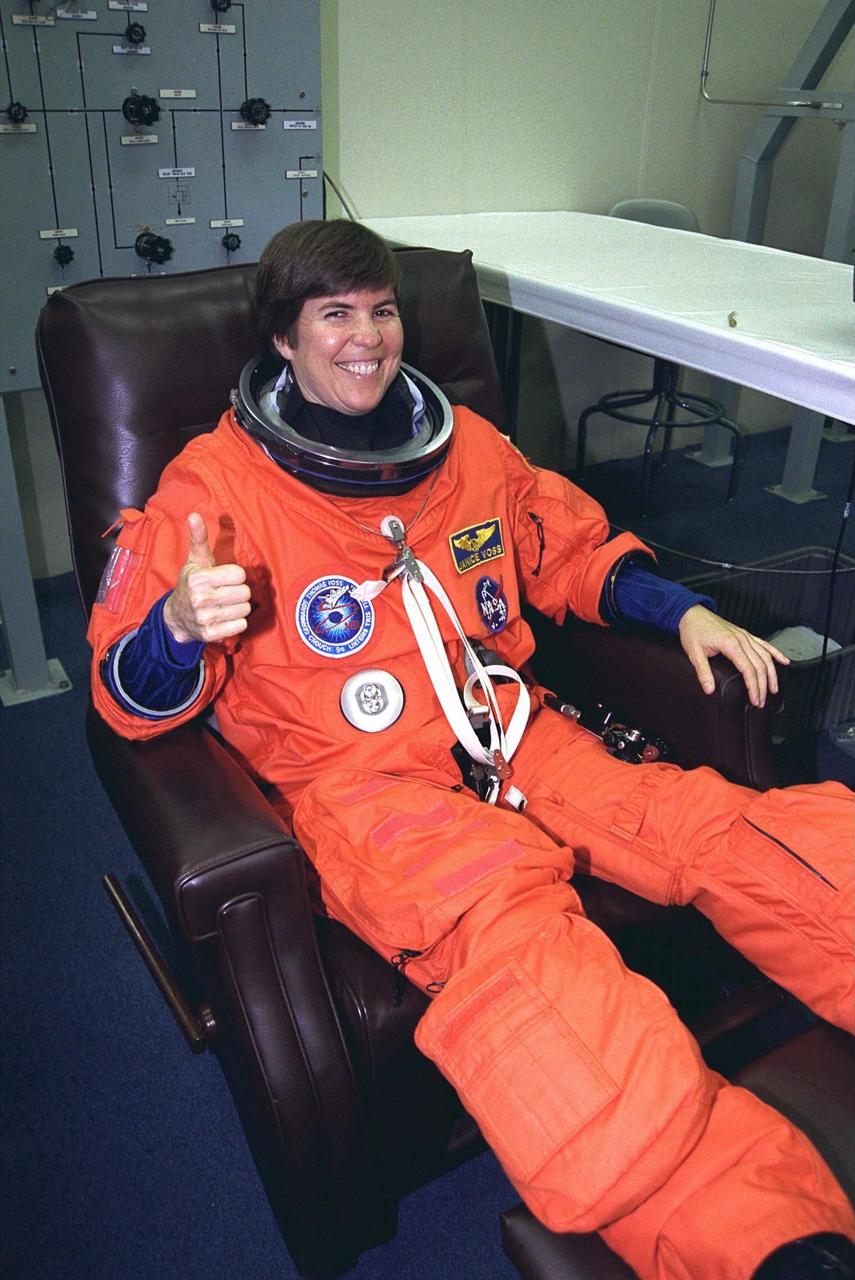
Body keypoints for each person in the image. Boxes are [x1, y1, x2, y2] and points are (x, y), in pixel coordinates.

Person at [88, 219, 854, 1280]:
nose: (367, 338)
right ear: (282, 340)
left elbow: (568, 548)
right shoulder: (212, 491)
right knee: (514, 938)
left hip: (512, 729)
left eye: (382, 311)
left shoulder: (469, 450)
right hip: (363, 787)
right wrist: (177, 628)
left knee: (709, 826)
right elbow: (124, 702)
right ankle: (759, 1240)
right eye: (334, 315)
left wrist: (680, 611)